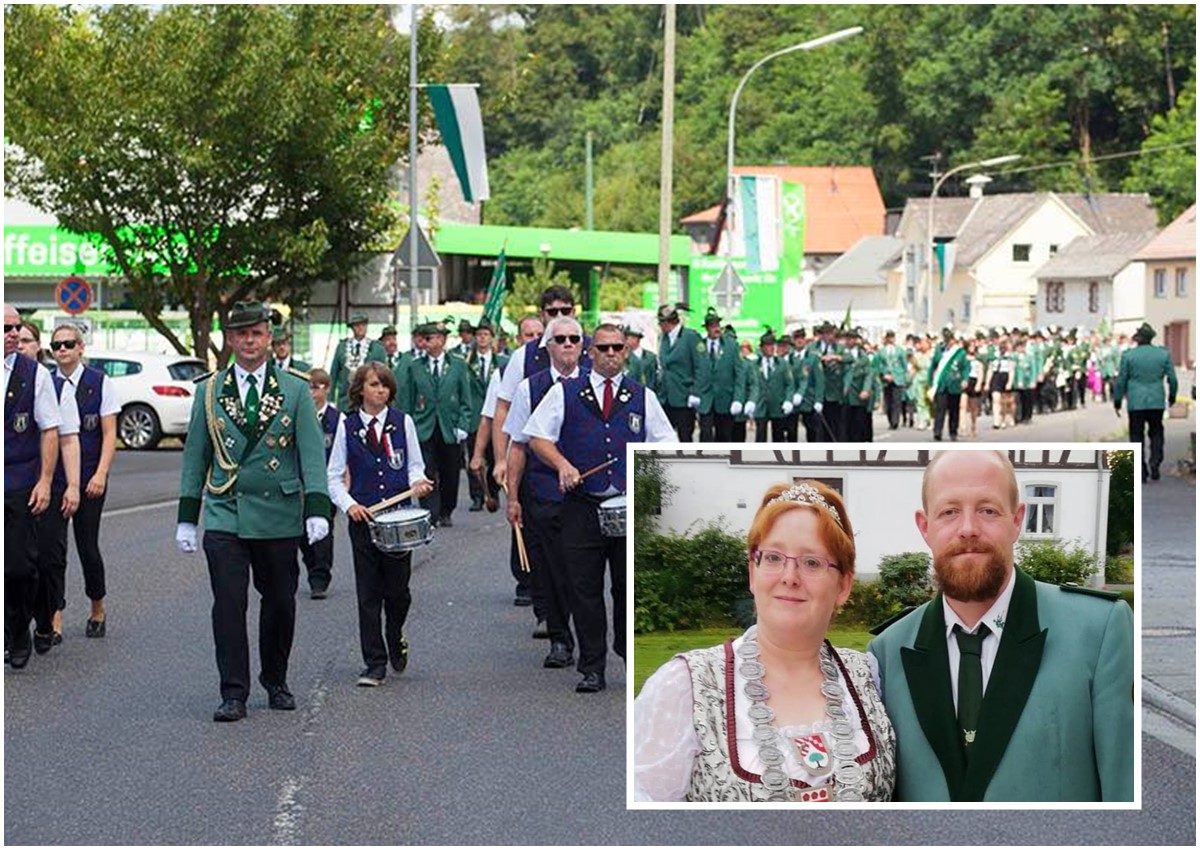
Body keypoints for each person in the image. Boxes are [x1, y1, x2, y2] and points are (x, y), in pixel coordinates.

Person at [868, 450, 1133, 802]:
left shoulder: (1098, 631)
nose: (968, 529)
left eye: (988, 510)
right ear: (925, 527)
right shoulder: (888, 653)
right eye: (949, 512)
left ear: (1017, 520)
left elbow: (1126, 795)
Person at [634, 480, 896, 801]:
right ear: (752, 573)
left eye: (811, 562)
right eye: (773, 558)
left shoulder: (870, 676)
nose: (789, 576)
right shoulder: (683, 687)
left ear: (843, 585)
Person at [176, 301, 331, 722]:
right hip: (226, 511)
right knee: (228, 603)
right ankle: (233, 692)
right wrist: (188, 517)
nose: (249, 341)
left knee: (280, 601)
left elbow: (312, 455)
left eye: (257, 333)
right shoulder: (209, 391)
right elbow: (196, 456)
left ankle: (275, 679)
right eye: (241, 334)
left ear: (269, 339)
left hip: (279, 513)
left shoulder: (295, 390)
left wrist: (317, 508)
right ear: (229, 339)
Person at [527, 323, 676, 694]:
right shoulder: (566, 392)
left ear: (626, 353)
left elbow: (667, 443)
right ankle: (592, 666)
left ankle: (627, 653)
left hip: (628, 508)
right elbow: (537, 437)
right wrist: (562, 464)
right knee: (584, 589)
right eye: (604, 348)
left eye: (618, 348)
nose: (611, 354)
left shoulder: (643, 396)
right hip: (582, 505)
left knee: (626, 589)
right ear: (590, 352)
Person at [327, 363, 433, 686]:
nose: (381, 391)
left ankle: (395, 631)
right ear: (360, 389)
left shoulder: (404, 422)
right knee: (368, 594)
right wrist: (350, 505)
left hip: (398, 521)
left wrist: (419, 482)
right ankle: (374, 663)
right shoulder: (347, 426)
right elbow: (332, 478)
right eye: (374, 385)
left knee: (398, 593)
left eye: (385, 385)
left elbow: (415, 466)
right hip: (364, 521)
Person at [503, 315, 587, 655]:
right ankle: (559, 638)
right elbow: (518, 446)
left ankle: (588, 643)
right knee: (550, 569)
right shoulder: (530, 387)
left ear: (583, 346)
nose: (568, 344)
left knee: (580, 570)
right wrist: (512, 497)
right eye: (561, 339)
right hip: (542, 491)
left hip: (585, 494)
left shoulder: (596, 386)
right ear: (548, 346)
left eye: (574, 339)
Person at [5, 305, 66, 669]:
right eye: (6, 328)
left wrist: (45, 480)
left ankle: (18, 629)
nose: (13, 334)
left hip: (18, 482)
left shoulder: (34, 374)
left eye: (17, 328)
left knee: (18, 568)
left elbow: (50, 429)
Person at [47, 323, 117, 639]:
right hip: (55, 481)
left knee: (87, 546)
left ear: (81, 347)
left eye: (68, 344)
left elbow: (109, 433)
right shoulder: (45, 383)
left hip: (90, 479)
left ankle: (97, 607)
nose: (62, 350)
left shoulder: (99, 382)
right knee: (53, 552)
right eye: (56, 346)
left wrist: (101, 474)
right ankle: (55, 616)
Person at [398, 321, 472, 528]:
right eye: (424, 338)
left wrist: (463, 425)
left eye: (430, 338)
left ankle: (447, 510)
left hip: (449, 428)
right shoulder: (415, 366)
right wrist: (408, 425)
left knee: (450, 472)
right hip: (424, 427)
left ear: (442, 340)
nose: (426, 342)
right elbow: (408, 399)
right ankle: (430, 512)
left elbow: (466, 400)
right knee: (426, 471)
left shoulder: (457, 365)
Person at [1114, 322, 1178, 483]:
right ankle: (1155, 461)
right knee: (1157, 432)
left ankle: (1140, 470)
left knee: (1136, 435)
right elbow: (1172, 379)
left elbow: (1121, 380)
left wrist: (1117, 400)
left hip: (1136, 401)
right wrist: (1172, 397)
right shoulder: (1163, 355)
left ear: (1138, 339)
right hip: (1156, 400)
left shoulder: (1129, 356)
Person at [299, 368, 342, 598]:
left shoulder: (337, 419)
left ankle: (320, 577)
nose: (311, 392)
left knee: (325, 531)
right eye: (308, 387)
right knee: (302, 534)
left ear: (325, 388)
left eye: (315, 387)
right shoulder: (298, 415)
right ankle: (311, 565)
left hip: (326, 485)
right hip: (299, 484)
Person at [464, 318, 506, 512]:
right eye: (479, 335)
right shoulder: (466, 362)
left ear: (491, 338)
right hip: (474, 417)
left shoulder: (503, 363)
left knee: (494, 455)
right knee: (475, 458)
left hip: (496, 417)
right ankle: (477, 496)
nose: (482, 338)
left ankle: (493, 490)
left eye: (485, 335)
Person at [655, 303, 706, 441]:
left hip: (684, 397)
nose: (659, 325)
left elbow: (700, 367)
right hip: (665, 397)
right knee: (665, 438)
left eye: (661, 322)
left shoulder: (691, 337)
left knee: (685, 437)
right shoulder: (664, 338)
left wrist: (695, 392)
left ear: (668, 322)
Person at [696, 308, 746, 443]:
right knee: (705, 433)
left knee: (724, 436)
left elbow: (740, 374)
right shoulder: (699, 346)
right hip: (706, 399)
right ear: (707, 328)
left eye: (718, 325)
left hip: (725, 398)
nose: (716, 329)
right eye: (712, 326)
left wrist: (738, 399)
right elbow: (695, 371)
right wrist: (694, 392)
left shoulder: (731, 346)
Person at [329, 311, 386, 410]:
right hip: (345, 400)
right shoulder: (342, 347)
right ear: (352, 327)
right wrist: (330, 399)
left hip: (369, 401)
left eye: (363, 324)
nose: (360, 328)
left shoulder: (377, 348)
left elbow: (383, 377)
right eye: (357, 325)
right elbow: (334, 374)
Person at [752, 329, 794, 443]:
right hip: (761, 406)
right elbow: (751, 384)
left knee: (778, 435)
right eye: (767, 345)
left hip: (777, 405)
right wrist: (750, 401)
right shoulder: (755, 365)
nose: (771, 348)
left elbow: (789, 384)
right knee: (760, 435)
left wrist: (788, 400)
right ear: (761, 348)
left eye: (772, 345)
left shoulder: (782, 364)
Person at [929, 327, 969, 442]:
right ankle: (937, 432)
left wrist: (965, 379)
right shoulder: (939, 351)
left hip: (954, 385)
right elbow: (933, 367)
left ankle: (953, 432)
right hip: (941, 385)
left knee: (954, 410)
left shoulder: (960, 353)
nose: (948, 342)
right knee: (939, 409)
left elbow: (965, 368)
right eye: (946, 339)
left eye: (950, 339)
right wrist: (931, 382)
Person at [875, 330, 907, 431]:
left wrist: (901, 376)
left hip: (897, 378)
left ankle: (895, 421)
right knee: (888, 401)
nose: (891, 339)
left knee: (896, 401)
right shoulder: (881, 351)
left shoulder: (900, 350)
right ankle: (890, 420)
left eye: (892, 337)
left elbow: (904, 365)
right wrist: (883, 374)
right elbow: (878, 365)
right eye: (889, 337)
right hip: (886, 379)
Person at [622, 325, 657, 393]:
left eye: (627, 338)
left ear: (636, 338)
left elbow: (654, 378)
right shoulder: (623, 357)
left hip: (648, 393)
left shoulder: (651, 357)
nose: (625, 341)